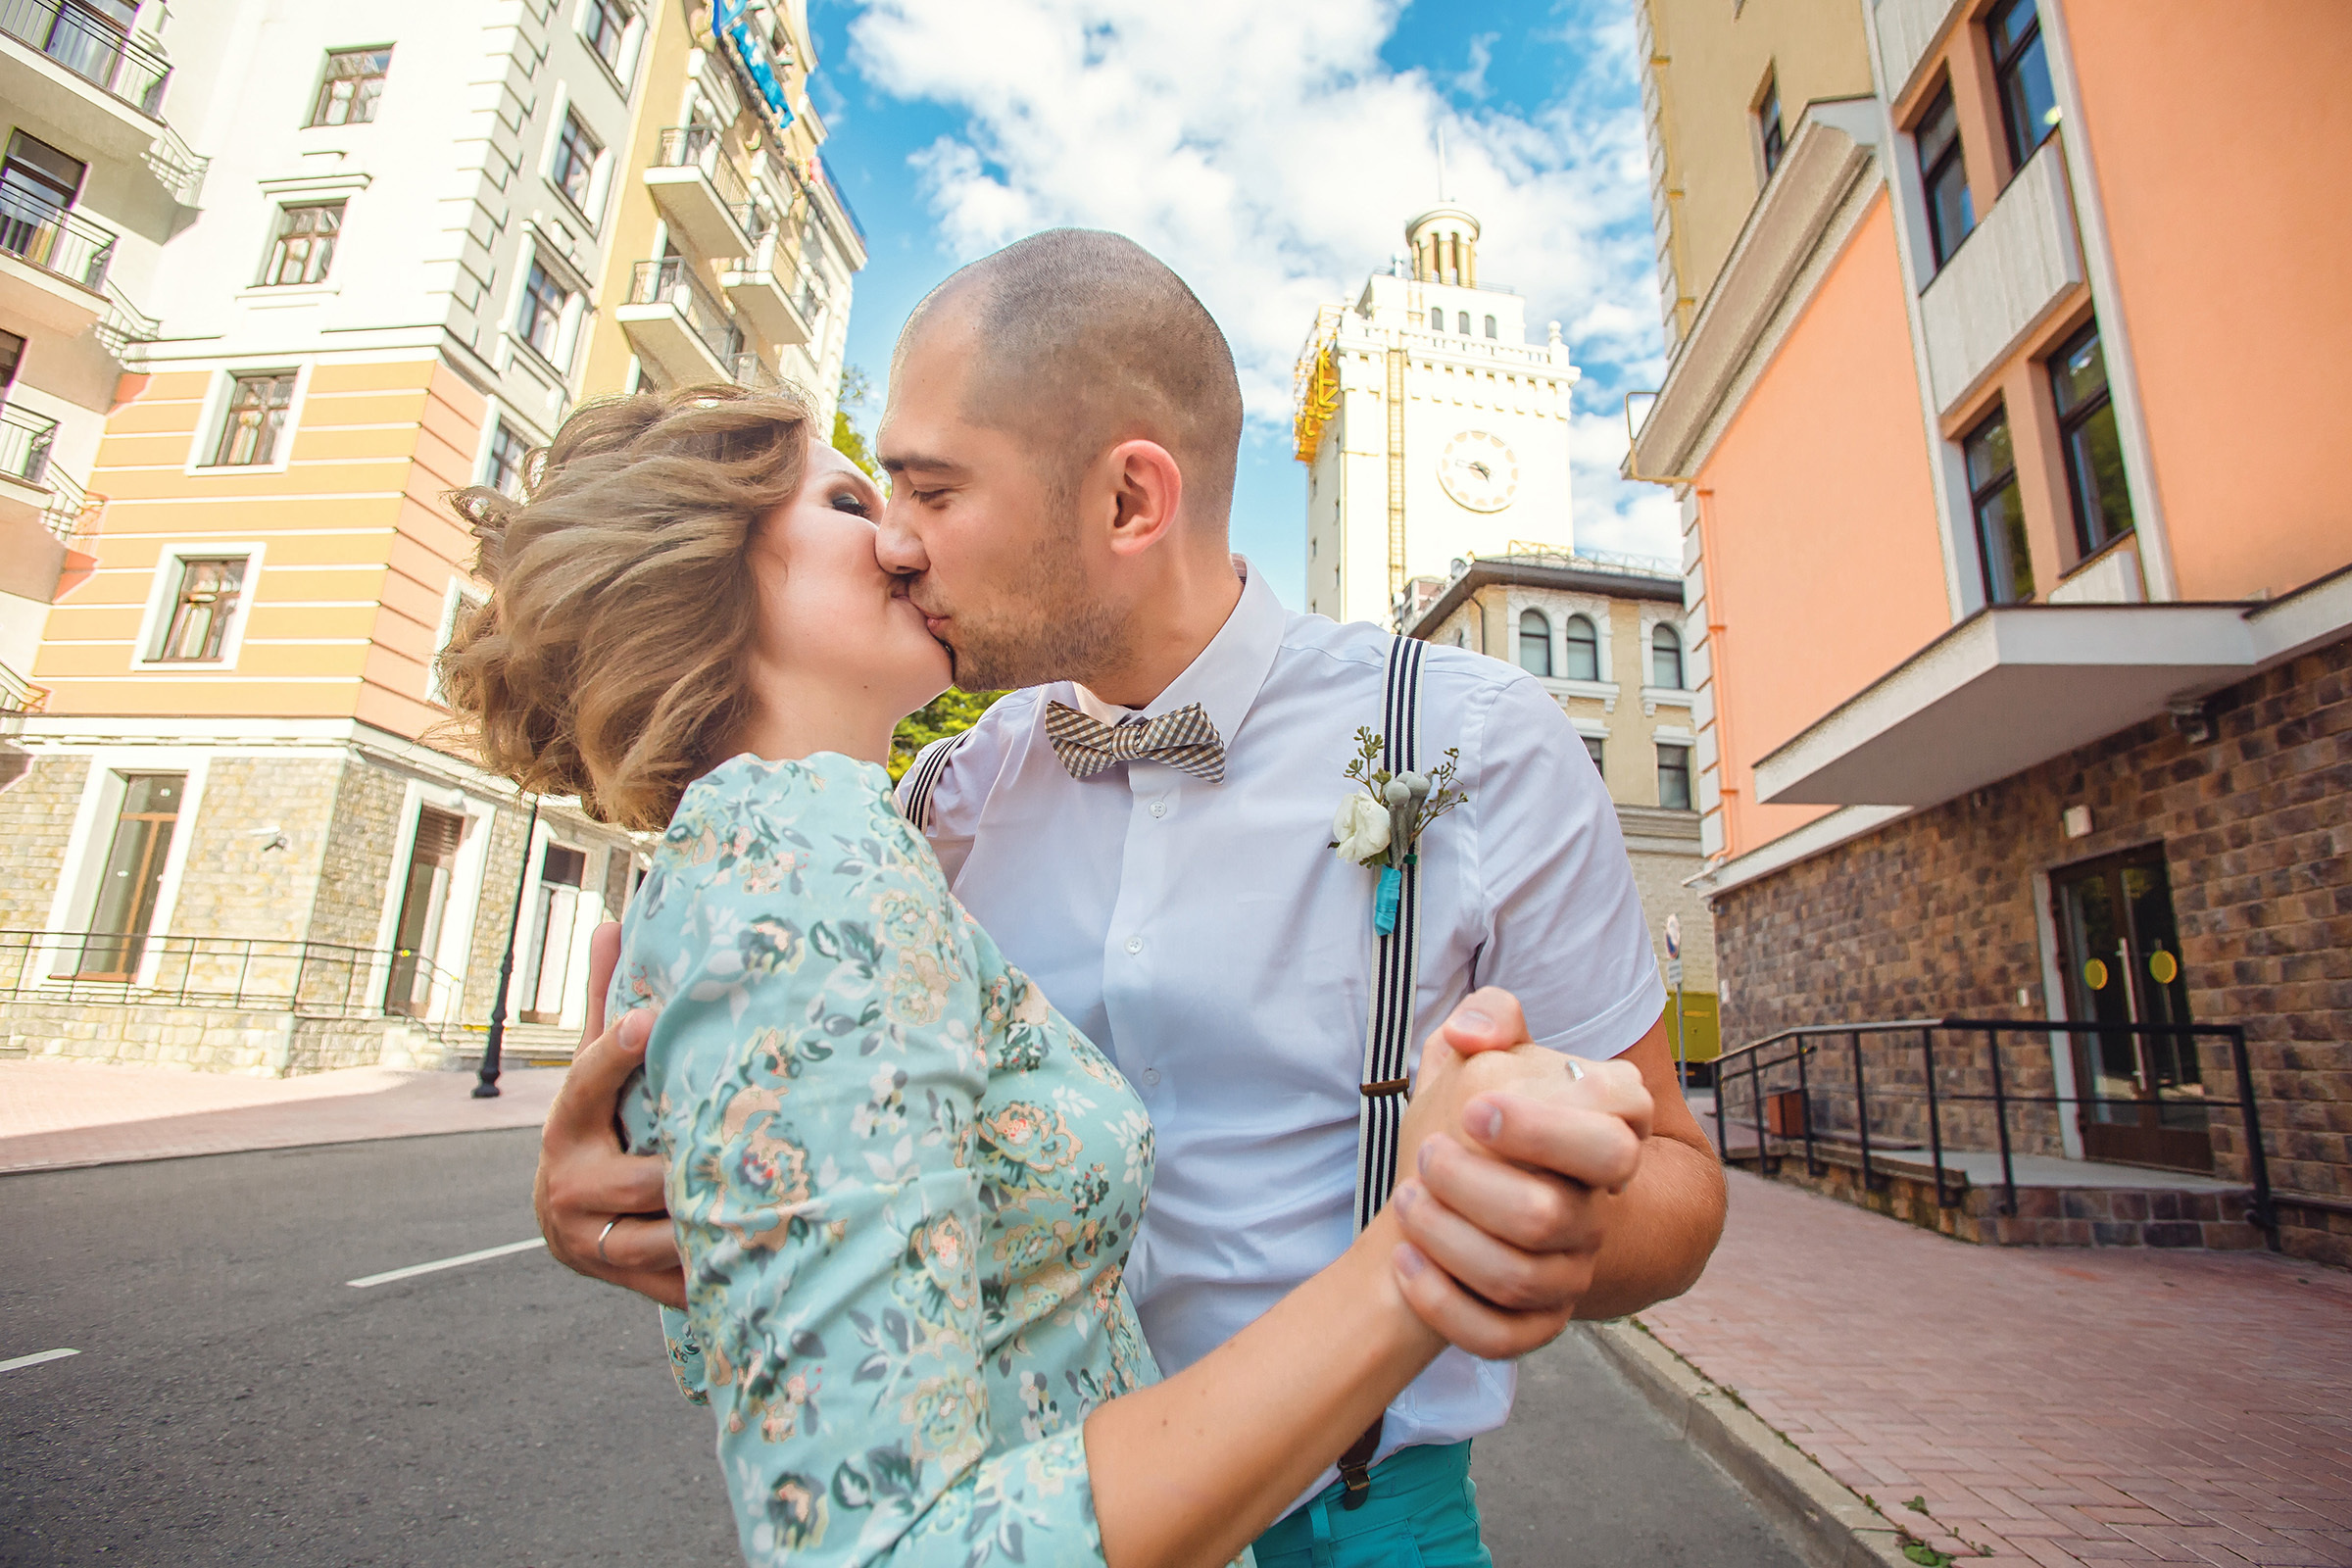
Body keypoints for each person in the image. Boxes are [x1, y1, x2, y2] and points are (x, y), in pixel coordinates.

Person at [534, 231, 1728, 1567]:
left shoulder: (1477, 740)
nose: (904, 548)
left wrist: (1523, 1199)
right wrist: (663, 1178)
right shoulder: (937, 800)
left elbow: (1677, 1188)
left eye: (925, 493)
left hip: (1365, 1525)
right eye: (874, 502)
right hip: (1014, 1509)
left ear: (1128, 503)